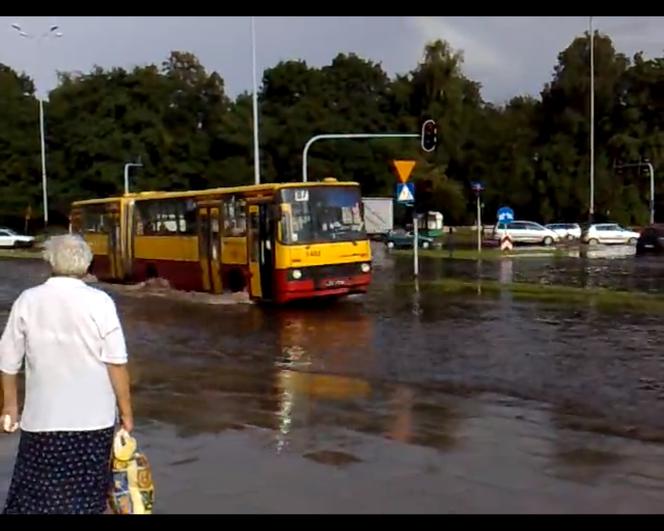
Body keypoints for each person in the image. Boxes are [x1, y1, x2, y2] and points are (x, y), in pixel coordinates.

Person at [0, 234, 133, 514]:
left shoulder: (28, 300)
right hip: (93, 422)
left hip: (42, 422)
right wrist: (126, 414)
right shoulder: (101, 302)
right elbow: (116, 363)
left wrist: (9, 407)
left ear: (49, 261)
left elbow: (8, 360)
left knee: (36, 499)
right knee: (87, 499)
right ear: (86, 264)